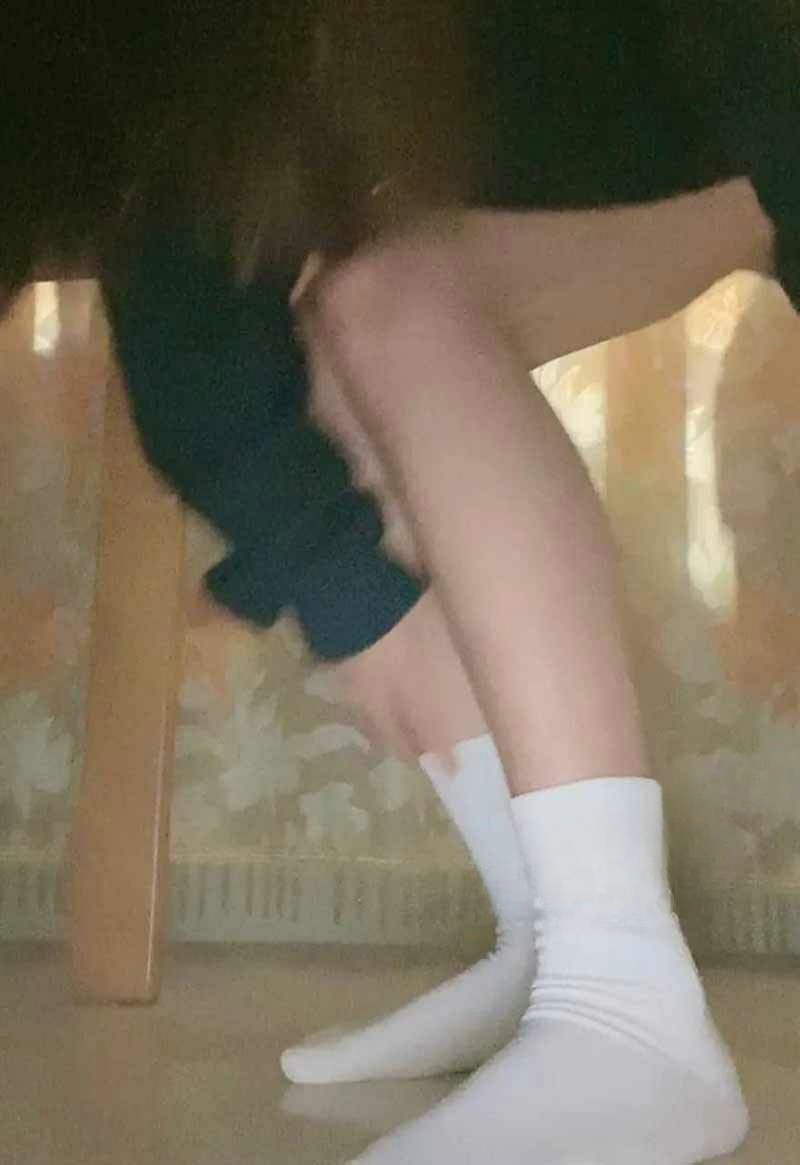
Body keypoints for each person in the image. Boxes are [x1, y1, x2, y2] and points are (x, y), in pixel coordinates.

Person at [4, 2, 799, 1161]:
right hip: (584, 153)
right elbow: (182, 296)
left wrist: (343, 593)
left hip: (745, 114)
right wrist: (342, 593)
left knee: (388, 297)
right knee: (335, 350)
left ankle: (623, 994)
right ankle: (552, 936)